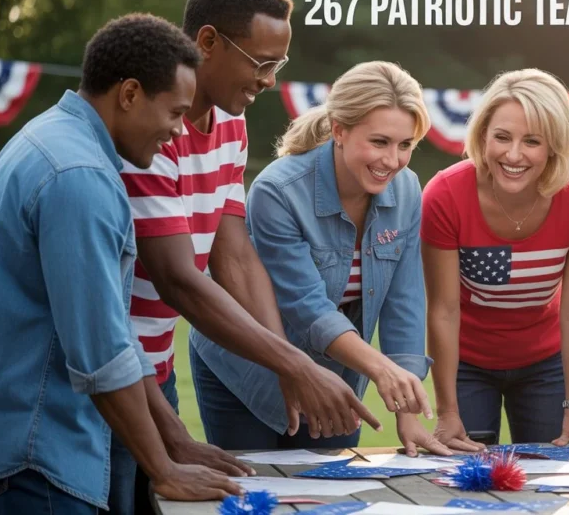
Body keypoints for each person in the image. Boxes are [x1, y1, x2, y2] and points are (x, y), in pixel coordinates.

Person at [117, 0, 379, 513]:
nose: (268, 81)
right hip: (112, 372)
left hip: (155, 369)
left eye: (278, 65)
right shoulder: (149, 130)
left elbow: (233, 253)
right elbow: (179, 282)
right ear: (207, 42)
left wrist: (281, 362)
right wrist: (296, 365)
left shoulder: (231, 127)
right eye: (260, 63)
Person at [0, 14, 242, 514]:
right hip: (38, 459)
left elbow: (114, 328)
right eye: (173, 113)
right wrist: (165, 470)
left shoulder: (52, 139)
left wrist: (177, 440)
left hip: (29, 447)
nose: (175, 134)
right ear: (128, 94)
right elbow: (102, 352)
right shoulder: (78, 176)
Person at [190, 61, 450, 456]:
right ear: (340, 130)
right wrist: (380, 369)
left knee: (330, 494)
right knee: (257, 493)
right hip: (246, 369)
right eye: (379, 142)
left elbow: (405, 300)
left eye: (406, 145)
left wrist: (407, 410)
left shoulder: (408, 190)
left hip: (336, 375)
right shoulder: (278, 191)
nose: (392, 161)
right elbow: (306, 306)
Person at [423, 68, 569, 449]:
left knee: (553, 478)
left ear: (555, 145)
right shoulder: (445, 194)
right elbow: (443, 310)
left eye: (532, 141)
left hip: (545, 363)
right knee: (465, 474)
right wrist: (447, 412)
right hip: (467, 364)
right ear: (482, 136)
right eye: (502, 137)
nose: (513, 155)